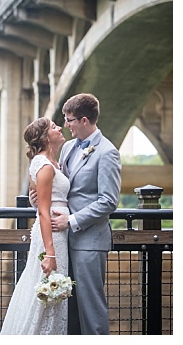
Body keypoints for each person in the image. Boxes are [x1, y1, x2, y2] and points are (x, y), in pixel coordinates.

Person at [51, 93, 120, 334]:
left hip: (89, 242)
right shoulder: (68, 147)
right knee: (68, 308)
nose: (65, 125)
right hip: (63, 241)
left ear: (83, 120)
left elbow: (109, 201)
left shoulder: (107, 152)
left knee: (91, 308)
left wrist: (71, 221)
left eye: (69, 120)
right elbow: (63, 186)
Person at [0, 117, 69, 334]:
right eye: (54, 127)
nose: (60, 128)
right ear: (45, 138)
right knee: (48, 289)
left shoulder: (52, 163)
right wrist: (50, 253)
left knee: (51, 290)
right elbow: (43, 210)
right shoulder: (45, 166)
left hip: (57, 232)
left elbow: (40, 199)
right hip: (52, 237)